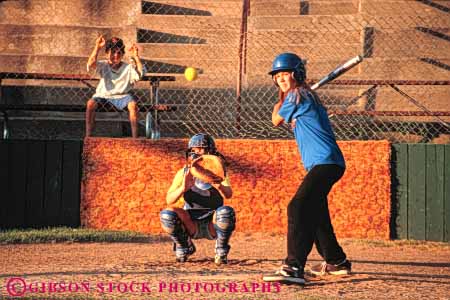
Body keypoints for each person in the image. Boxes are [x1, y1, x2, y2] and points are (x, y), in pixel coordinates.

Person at [262, 53, 351, 285]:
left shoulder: (297, 94)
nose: (281, 78)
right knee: (317, 213)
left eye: (285, 74)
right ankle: (336, 261)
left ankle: (293, 266)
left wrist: (280, 100)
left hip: (326, 162)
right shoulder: (301, 95)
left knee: (298, 207)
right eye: (277, 76)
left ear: (297, 75)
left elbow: (275, 120)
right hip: (325, 163)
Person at [160, 133, 236, 265]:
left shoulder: (217, 171)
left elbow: (228, 194)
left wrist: (217, 184)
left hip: (213, 223)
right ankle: (185, 246)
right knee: (167, 214)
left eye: (200, 149)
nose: (196, 153)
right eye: (193, 150)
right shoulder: (184, 172)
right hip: (191, 224)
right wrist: (183, 188)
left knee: (225, 212)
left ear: (210, 151)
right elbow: (169, 200)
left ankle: (221, 249)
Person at [85, 36, 145, 138]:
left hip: (122, 96)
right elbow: (91, 63)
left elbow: (140, 73)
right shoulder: (103, 65)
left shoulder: (127, 67)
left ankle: (135, 138)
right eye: (112, 52)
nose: (115, 55)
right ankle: (88, 137)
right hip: (103, 95)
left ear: (122, 55)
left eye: (119, 53)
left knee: (133, 105)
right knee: (90, 104)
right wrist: (97, 47)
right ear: (107, 53)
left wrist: (136, 57)